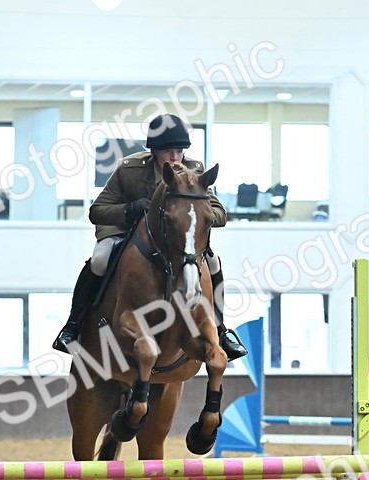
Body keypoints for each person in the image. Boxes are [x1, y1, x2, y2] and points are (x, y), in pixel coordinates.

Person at [52, 114, 247, 361]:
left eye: (179, 151)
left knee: (214, 262)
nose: (176, 158)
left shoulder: (195, 171)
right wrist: (131, 209)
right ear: (153, 151)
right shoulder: (129, 169)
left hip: (173, 240)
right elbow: (96, 211)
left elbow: (219, 213)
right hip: (125, 232)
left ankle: (220, 328)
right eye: (168, 152)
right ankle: (73, 326)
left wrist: (199, 213)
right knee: (99, 260)